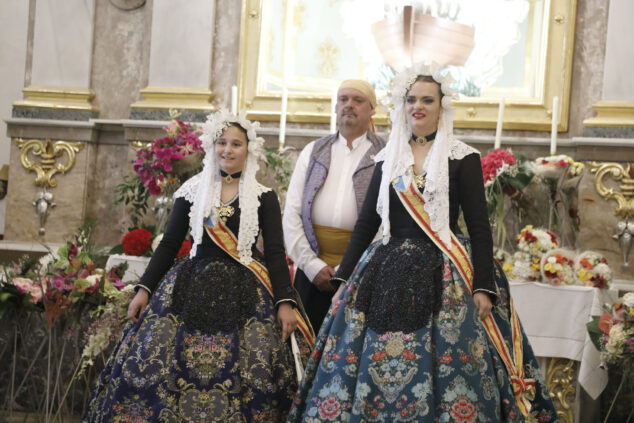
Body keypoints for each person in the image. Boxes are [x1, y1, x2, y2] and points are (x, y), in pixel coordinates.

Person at [288, 63, 558, 422]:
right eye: (411, 99)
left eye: (427, 100)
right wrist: (342, 281)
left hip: (446, 272)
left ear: (442, 106)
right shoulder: (386, 158)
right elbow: (369, 222)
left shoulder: (464, 158)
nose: (418, 106)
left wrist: (483, 286)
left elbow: (479, 227)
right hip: (384, 269)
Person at [83, 110, 314, 423]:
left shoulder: (264, 196)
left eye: (236, 144)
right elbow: (168, 245)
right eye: (222, 142)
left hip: (247, 292)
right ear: (212, 146)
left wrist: (284, 301)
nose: (228, 150)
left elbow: (275, 252)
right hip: (189, 287)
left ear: (249, 150)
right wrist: (144, 289)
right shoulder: (192, 190)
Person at [283, 80, 386, 333]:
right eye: (343, 99)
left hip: (363, 271)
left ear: (372, 109)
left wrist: (347, 269)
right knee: (306, 343)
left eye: (357, 100)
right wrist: (311, 265)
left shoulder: (387, 153)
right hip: (312, 271)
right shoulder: (313, 151)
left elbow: (387, 220)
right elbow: (292, 213)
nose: (348, 105)